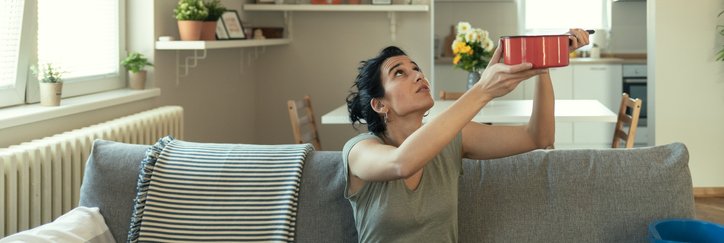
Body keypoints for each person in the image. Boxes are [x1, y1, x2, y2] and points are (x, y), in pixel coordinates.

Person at [343, 29, 591, 242]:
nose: (418, 75)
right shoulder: (359, 151)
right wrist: (482, 90)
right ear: (379, 104)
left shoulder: (453, 140)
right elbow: (401, 163)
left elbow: (539, 137)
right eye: (399, 73)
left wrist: (542, 66)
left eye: (416, 69)